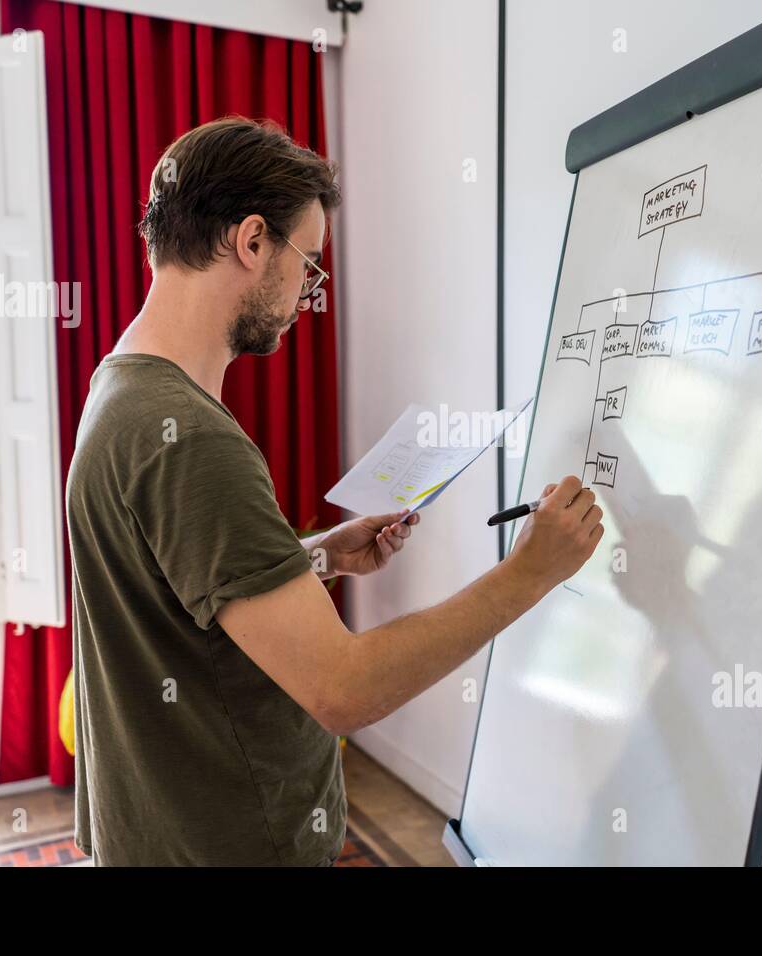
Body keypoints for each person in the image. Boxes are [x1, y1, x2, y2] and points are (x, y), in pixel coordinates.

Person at [66, 117, 604, 866]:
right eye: (308, 262)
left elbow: (175, 593)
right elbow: (344, 690)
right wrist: (530, 572)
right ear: (252, 241)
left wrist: (311, 559)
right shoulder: (190, 438)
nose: (306, 291)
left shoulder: (118, 388)